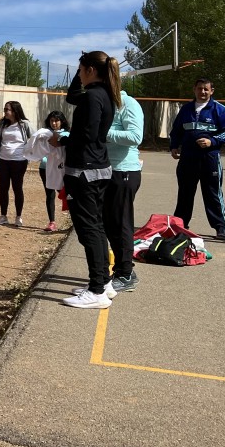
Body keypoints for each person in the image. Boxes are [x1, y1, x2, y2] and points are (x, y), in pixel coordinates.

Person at [61, 51, 121, 309]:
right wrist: (78, 72)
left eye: (81, 69)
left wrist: (61, 139)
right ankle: (103, 282)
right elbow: (72, 96)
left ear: (91, 70)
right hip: (95, 168)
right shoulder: (101, 94)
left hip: (84, 171)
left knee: (90, 230)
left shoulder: (94, 97)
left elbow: (88, 133)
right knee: (95, 227)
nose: (80, 74)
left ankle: (97, 290)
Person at [170, 78, 225, 238]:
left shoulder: (219, 109)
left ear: (212, 91)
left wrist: (212, 141)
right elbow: (176, 130)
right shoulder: (186, 109)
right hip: (187, 158)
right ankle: (180, 224)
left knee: (212, 193)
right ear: (194, 89)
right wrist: (174, 146)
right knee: (185, 192)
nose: (203, 92)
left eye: (206, 89)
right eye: (200, 89)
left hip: (209, 158)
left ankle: (221, 227)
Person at [103, 86, 144, 293]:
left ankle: (126, 273)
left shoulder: (128, 104)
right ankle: (121, 269)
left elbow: (136, 136)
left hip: (124, 171)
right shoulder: (106, 105)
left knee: (121, 224)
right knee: (110, 224)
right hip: (108, 171)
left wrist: (103, 132)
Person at [0, 101, 31, 227]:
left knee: (17, 188)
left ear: (15, 111)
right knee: (3, 188)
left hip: (19, 161)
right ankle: (3, 215)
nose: (5, 112)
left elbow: (35, 136)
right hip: (2, 159)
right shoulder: (2, 123)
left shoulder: (24, 124)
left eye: (7, 110)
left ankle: (18, 216)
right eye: (4, 109)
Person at [30, 111, 68, 232]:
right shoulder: (44, 133)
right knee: (49, 194)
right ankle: (52, 222)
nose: (54, 123)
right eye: (52, 120)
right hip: (45, 167)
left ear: (61, 121)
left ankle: (74, 218)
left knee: (65, 194)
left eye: (56, 120)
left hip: (61, 168)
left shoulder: (67, 134)